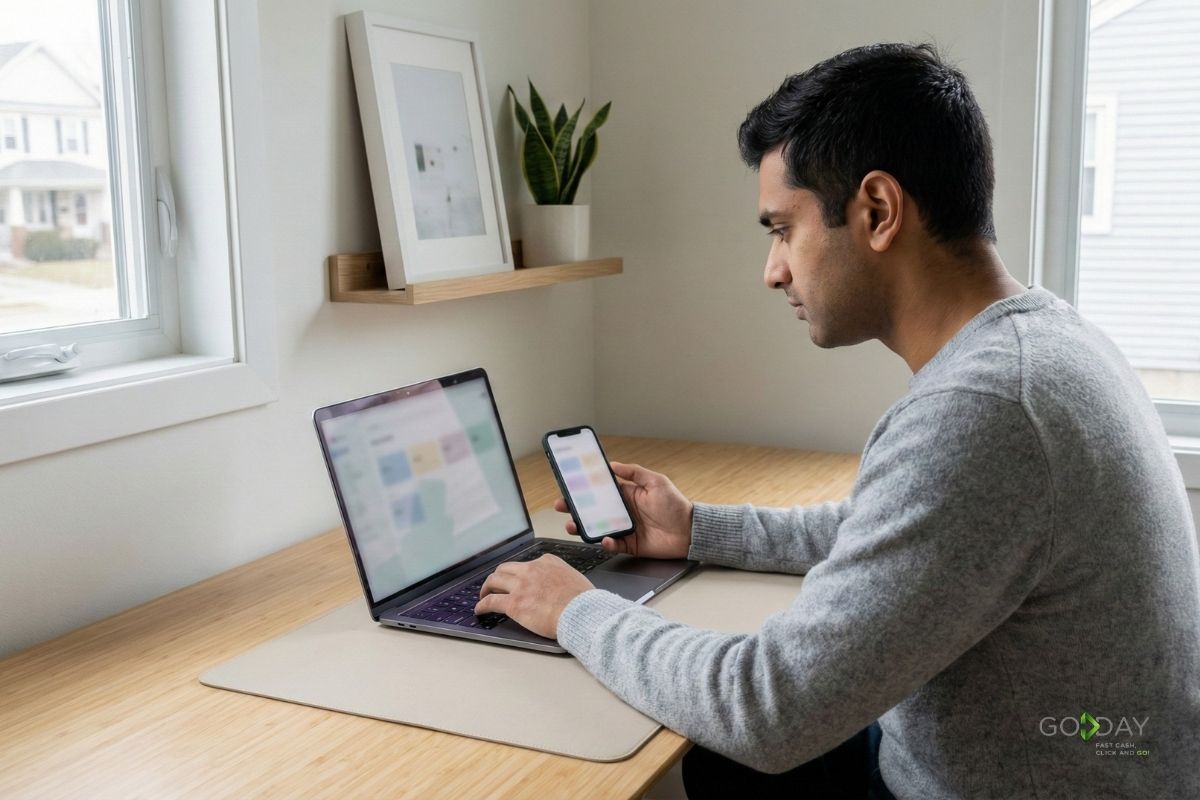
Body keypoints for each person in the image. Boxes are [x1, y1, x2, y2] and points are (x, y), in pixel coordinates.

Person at [474, 43, 1200, 798]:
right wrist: (700, 530)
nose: (773, 269)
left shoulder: (985, 411)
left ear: (878, 211)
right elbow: (898, 531)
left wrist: (577, 611)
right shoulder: (1045, 341)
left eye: (783, 230)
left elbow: (769, 708)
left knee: (724, 749)